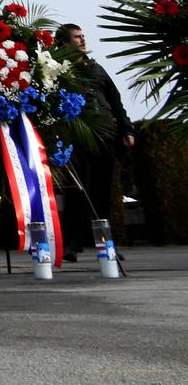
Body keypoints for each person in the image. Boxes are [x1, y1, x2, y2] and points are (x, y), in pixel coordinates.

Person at [55, 23, 134, 262]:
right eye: (77, 37)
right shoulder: (59, 70)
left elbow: (115, 99)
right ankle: (72, 244)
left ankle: (106, 244)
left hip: (106, 135)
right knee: (78, 192)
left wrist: (126, 128)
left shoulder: (96, 68)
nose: (82, 40)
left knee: (103, 193)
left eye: (82, 36)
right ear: (65, 43)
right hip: (79, 138)